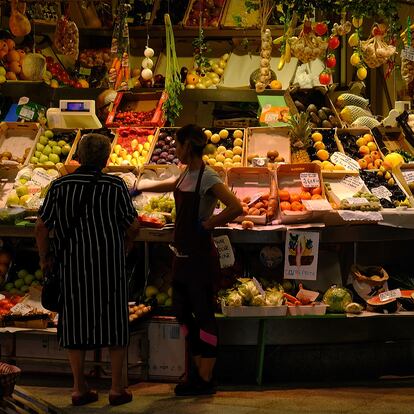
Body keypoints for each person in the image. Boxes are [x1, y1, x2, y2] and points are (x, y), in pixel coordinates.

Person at [35, 133, 140, 406]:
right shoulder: (114, 185)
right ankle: (117, 388)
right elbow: (133, 225)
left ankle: (79, 388)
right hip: (109, 267)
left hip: (72, 267)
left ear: (78, 157)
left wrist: (44, 258)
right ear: (106, 159)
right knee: (115, 325)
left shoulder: (60, 186)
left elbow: (41, 226)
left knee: (74, 326)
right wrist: (126, 245)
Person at [138, 124, 243, 395]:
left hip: (199, 258)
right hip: (181, 256)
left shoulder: (207, 177)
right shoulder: (187, 173)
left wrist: (209, 224)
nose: (175, 149)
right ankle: (197, 369)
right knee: (182, 312)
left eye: (177, 145)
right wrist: (143, 187)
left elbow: (235, 207)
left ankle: (205, 378)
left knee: (205, 314)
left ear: (187, 146)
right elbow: (172, 185)